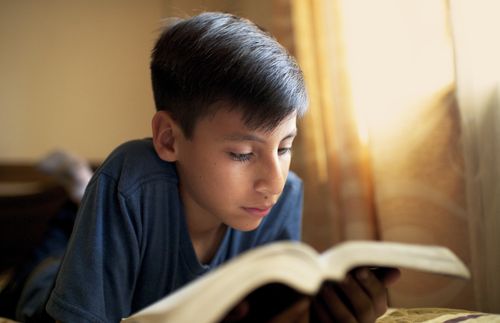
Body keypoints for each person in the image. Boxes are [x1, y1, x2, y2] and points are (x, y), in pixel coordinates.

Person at [8, 12, 399, 322]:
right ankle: (80, 190)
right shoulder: (130, 179)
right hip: (43, 283)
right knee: (52, 254)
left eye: (284, 147)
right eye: (243, 154)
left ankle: (82, 192)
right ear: (169, 139)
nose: (273, 183)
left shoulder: (285, 195)